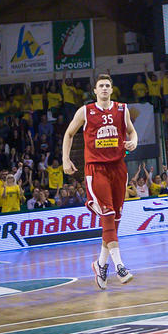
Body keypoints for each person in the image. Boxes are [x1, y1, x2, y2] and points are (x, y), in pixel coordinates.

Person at [62, 73, 138, 290]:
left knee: (114, 221)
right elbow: (69, 134)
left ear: (111, 89)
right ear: (95, 90)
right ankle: (120, 266)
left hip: (118, 168)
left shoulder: (122, 109)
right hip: (96, 169)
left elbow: (132, 132)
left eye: (107, 85)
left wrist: (134, 142)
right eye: (100, 86)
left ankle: (101, 264)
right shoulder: (85, 111)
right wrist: (65, 159)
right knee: (108, 215)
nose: (104, 88)